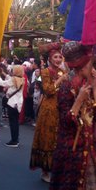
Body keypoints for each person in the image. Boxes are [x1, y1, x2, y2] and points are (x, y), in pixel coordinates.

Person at [50, 41, 96, 190]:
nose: (92, 69)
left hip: (88, 143)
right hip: (71, 146)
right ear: (81, 66)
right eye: (90, 65)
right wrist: (78, 101)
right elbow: (65, 120)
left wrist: (95, 89)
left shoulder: (88, 84)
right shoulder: (67, 86)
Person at [30, 44, 65, 183]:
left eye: (59, 57)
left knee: (58, 140)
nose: (58, 59)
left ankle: (55, 168)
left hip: (61, 108)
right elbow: (49, 90)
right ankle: (45, 170)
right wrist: (61, 79)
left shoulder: (62, 71)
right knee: (47, 139)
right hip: (48, 110)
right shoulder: (44, 72)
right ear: (50, 59)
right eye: (55, 57)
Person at [2, 65, 25, 148]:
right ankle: (16, 139)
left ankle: (13, 141)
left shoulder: (13, 79)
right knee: (16, 122)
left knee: (12, 122)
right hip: (18, 103)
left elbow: (2, 83)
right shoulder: (23, 79)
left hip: (12, 103)